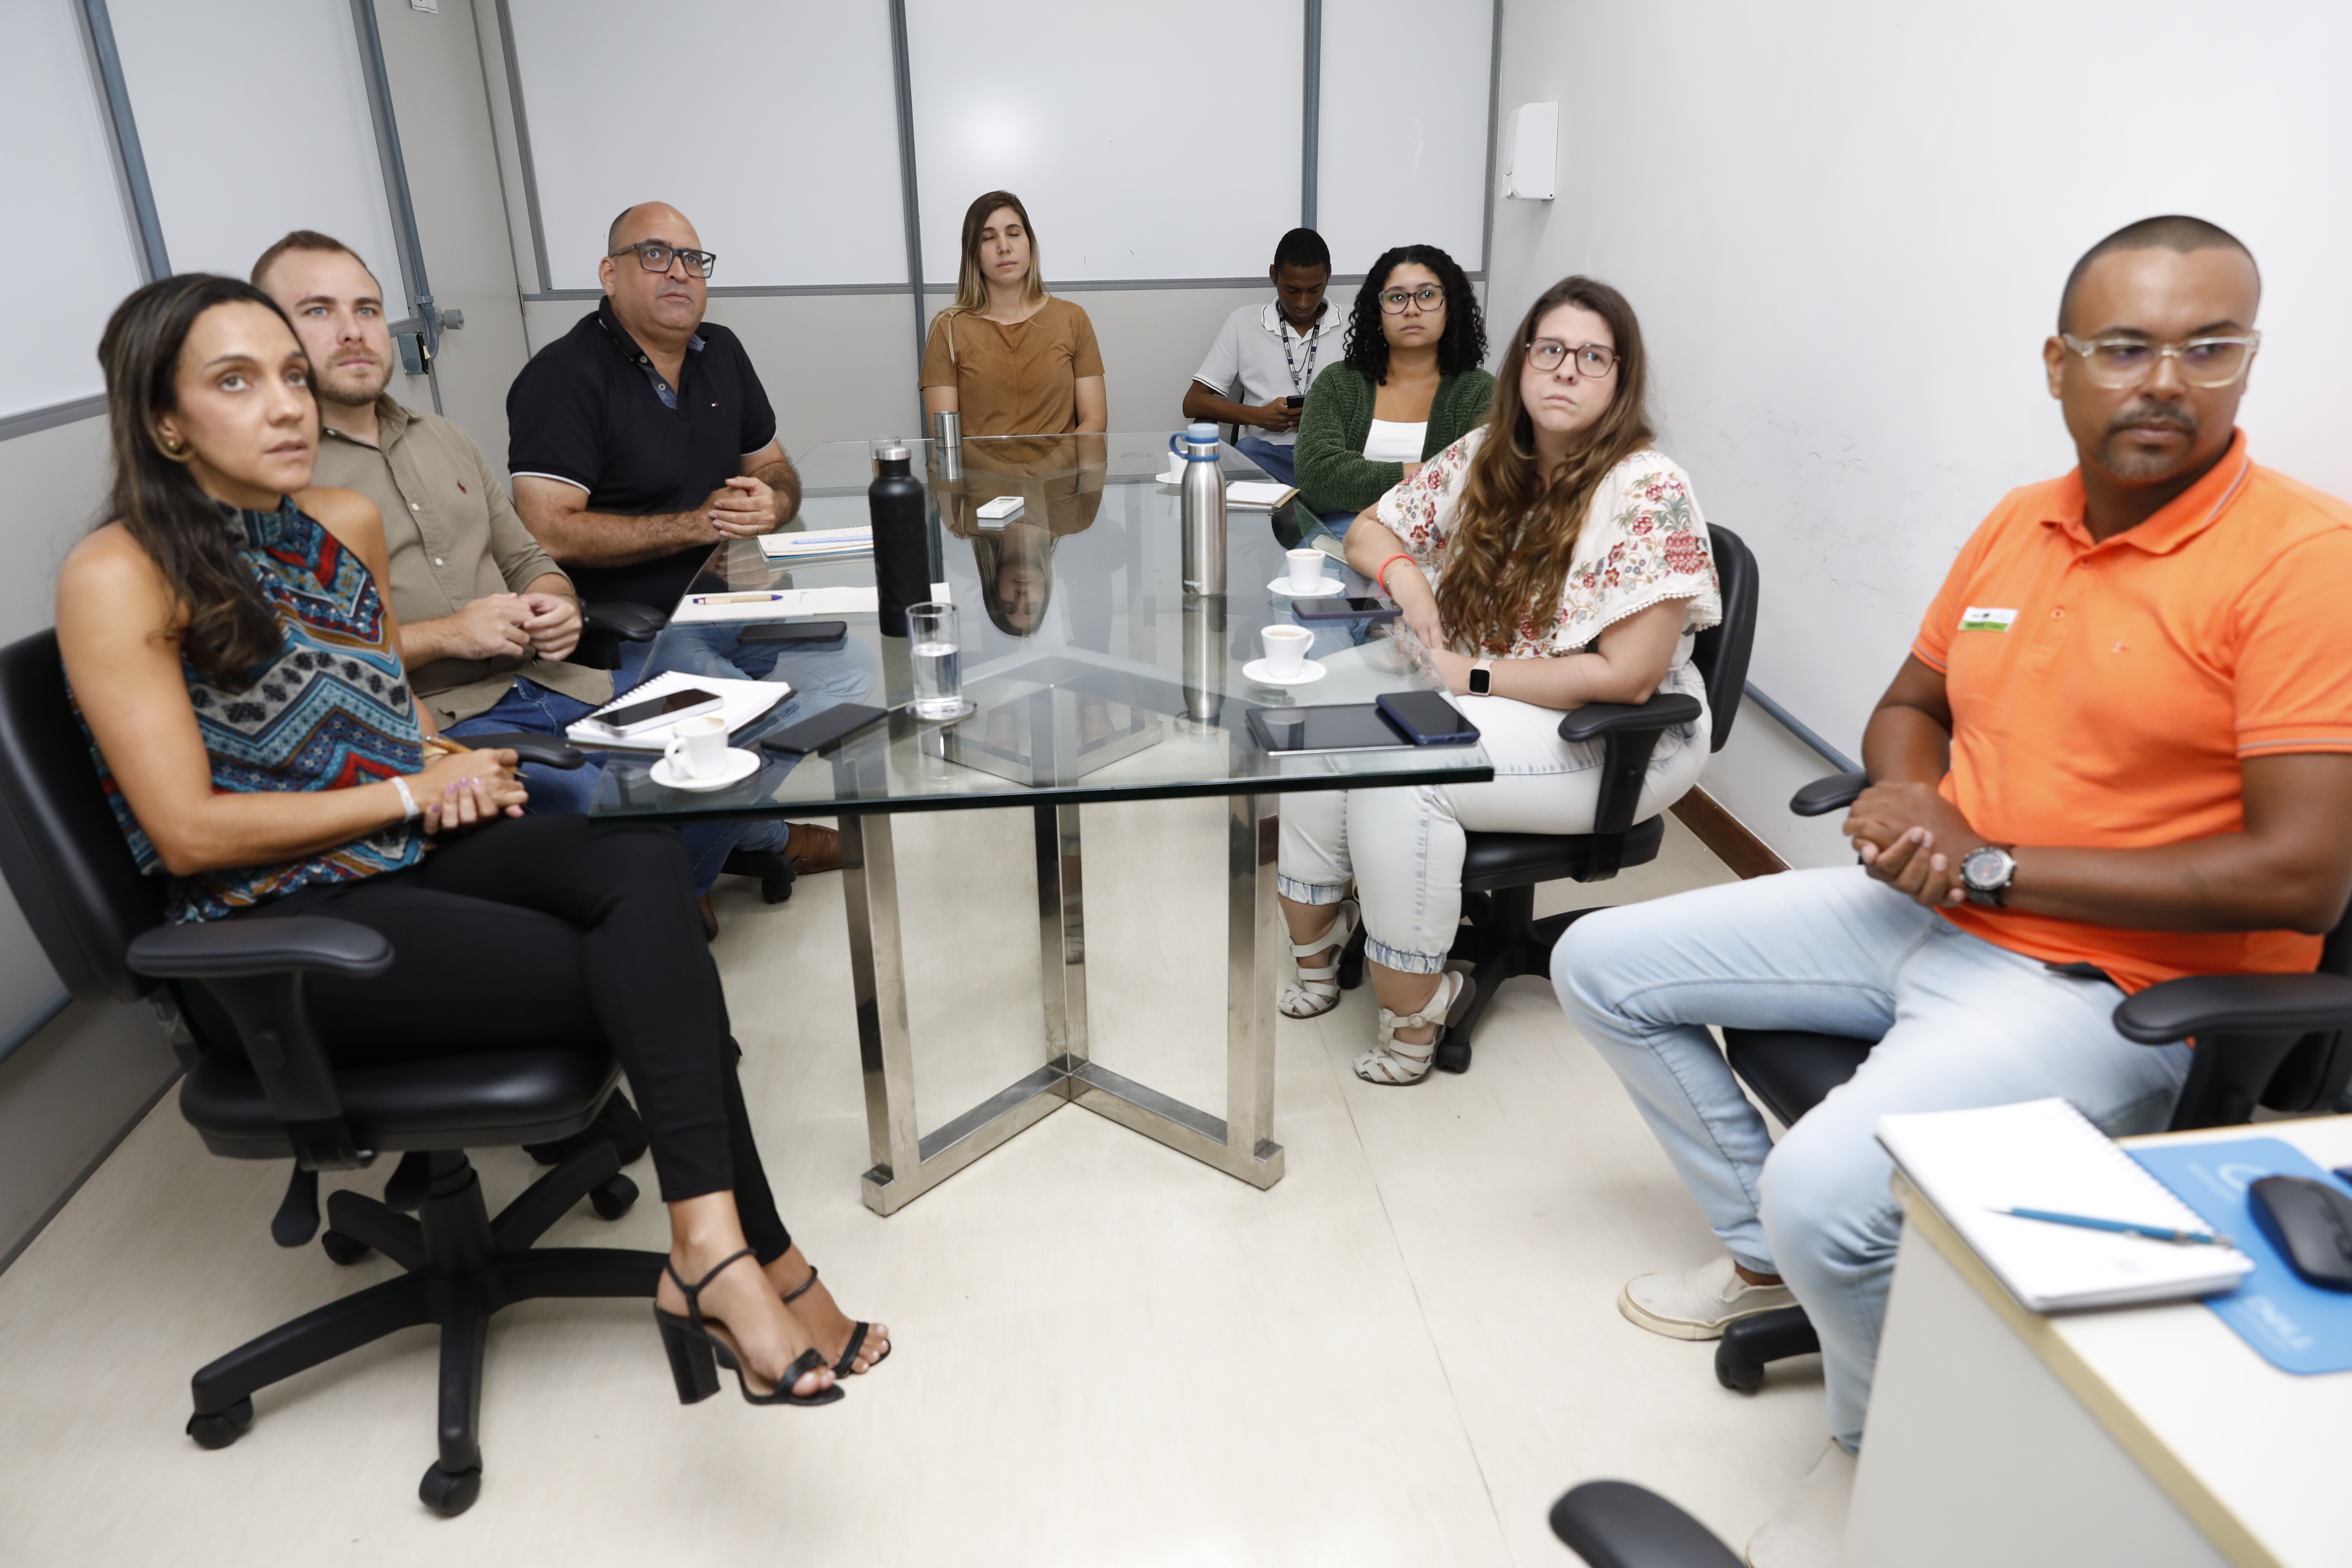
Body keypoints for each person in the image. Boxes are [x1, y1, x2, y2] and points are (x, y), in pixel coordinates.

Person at [1554, 216, 2352, 1568]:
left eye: (2208, 347)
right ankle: (1764, 1256)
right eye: (2123, 348)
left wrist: (1989, 862)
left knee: (1827, 1190)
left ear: (2247, 358)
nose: (2165, 380)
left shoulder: (2303, 559)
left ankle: (1879, 1464)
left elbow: (2302, 873)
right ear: (2057, 364)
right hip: (1928, 910)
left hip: (2104, 984)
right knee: (1599, 966)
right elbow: (1908, 705)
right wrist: (1912, 796)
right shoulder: (2019, 519)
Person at [61, 274, 892, 1405]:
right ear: (166, 421)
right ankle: (759, 1262)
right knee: (646, 969)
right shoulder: (117, 574)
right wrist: (412, 797)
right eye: (237, 382)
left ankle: (718, 1251)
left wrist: (447, 762)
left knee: (642, 858)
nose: (288, 403)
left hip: (398, 856)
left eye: (292, 375)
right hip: (274, 929)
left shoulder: (338, 524)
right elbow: (190, 835)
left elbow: (382, 712)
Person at [1279, 276, 1719, 1086]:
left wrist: (1466, 674)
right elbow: (1371, 530)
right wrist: (1409, 580)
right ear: (1522, 364)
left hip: (1621, 733)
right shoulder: (1489, 452)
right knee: (1314, 704)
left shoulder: (1648, 487)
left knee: (1402, 766)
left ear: (1621, 379)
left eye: (1594, 357)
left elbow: (1626, 678)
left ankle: (1417, 1007)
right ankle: (1319, 945)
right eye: (1550, 350)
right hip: (1481, 688)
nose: (1567, 370)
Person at [504, 202, 854, 906]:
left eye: (693, 259)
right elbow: (546, 532)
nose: (679, 273)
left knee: (849, 675)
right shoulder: (563, 376)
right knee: (737, 720)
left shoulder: (720, 351)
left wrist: (772, 502)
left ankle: (730, 834)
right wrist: (697, 526)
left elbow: (774, 466)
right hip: (632, 628)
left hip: (727, 602)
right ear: (610, 274)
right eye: (655, 255)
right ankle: (679, 888)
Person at [1292, 245, 1493, 536]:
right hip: (1340, 542)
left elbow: (1481, 486)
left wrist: (1359, 489)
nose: (1412, 310)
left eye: (1427, 295)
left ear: (1450, 309)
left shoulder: (1479, 392)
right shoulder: (1338, 382)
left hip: (1441, 548)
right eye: (1397, 298)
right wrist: (1429, 474)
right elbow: (1318, 480)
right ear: (1378, 313)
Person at [921, 192, 1108, 438]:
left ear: (1029, 243)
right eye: (989, 238)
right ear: (974, 253)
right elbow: (945, 438)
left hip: (1063, 464)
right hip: (977, 466)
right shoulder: (947, 328)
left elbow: (1095, 420)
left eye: (1014, 234)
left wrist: (1064, 460)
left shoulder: (1073, 318)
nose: (1004, 247)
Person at [1181, 227, 1342, 486]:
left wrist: (1325, 416)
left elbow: (1388, 399)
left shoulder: (1356, 325)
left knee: (1364, 460)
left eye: (1315, 290)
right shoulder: (1243, 323)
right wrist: (1259, 416)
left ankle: (1306, 493)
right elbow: (1193, 402)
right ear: (1273, 275)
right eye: (1292, 290)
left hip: (1333, 456)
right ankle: (1318, 492)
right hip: (1269, 458)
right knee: (1247, 450)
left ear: (1329, 275)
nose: (1303, 303)